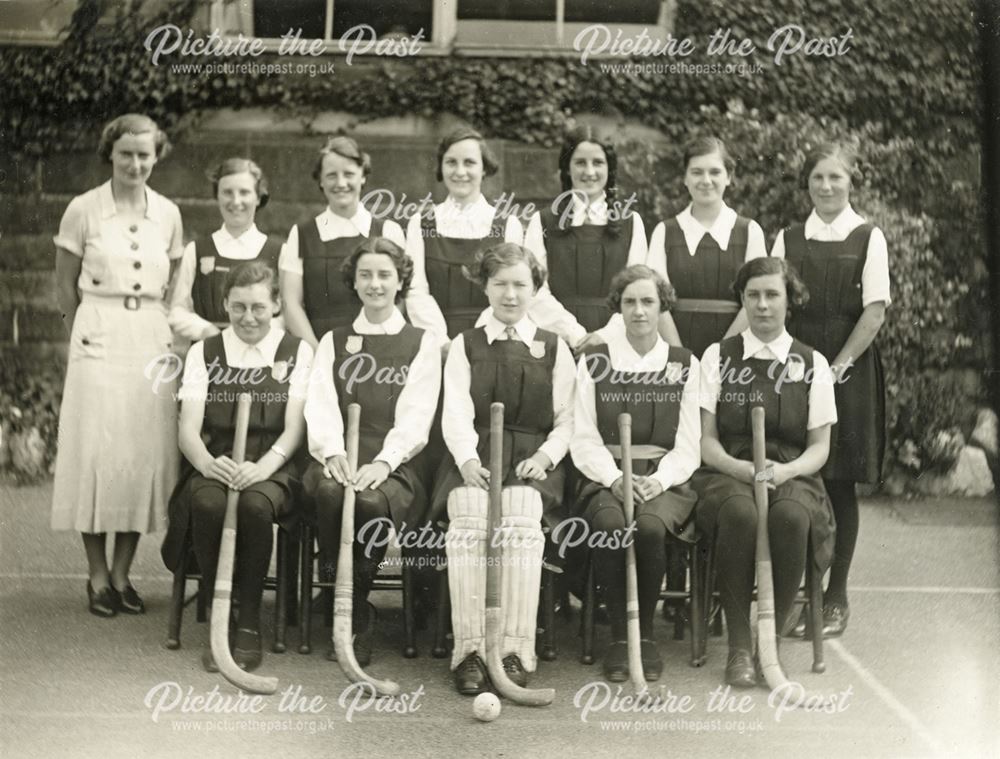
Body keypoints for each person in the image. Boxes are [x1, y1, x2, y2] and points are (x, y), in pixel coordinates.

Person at [51, 113, 183, 618]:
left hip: (149, 334)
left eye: (144, 155)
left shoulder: (168, 213)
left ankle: (125, 574)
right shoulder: (83, 209)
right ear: (110, 153)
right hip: (97, 332)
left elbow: (172, 284)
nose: (134, 163)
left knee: (139, 451)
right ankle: (97, 575)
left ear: (156, 157)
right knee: (96, 453)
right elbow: (65, 285)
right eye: (125, 153)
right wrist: (79, 336)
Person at [430, 243, 575, 695]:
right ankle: (471, 651)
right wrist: (468, 460)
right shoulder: (465, 344)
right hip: (475, 452)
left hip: (533, 458)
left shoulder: (554, 347)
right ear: (485, 286)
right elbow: (453, 412)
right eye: (500, 284)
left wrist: (545, 458)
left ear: (535, 289)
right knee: (470, 514)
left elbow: (568, 419)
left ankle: (514, 650)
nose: (510, 295)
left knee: (519, 515)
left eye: (520, 285)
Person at [162, 261, 312, 672]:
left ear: (277, 305)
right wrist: (209, 465)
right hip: (215, 465)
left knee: (254, 507)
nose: (248, 317)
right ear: (225, 304)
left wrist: (263, 468)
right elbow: (188, 430)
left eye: (259, 308)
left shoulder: (297, 352)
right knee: (208, 505)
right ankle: (220, 614)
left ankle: (248, 621)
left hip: (273, 469)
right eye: (239, 307)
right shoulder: (203, 352)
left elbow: (294, 431)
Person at [694, 256, 837, 688]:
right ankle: (739, 646)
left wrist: (786, 470)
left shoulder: (813, 363)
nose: (762, 305)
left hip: (792, 474)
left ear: (789, 301)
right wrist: (738, 467)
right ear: (741, 299)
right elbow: (705, 441)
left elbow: (820, 449)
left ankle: (767, 642)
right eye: (752, 295)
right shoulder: (718, 355)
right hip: (729, 472)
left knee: (790, 517)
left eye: (772, 294)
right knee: (741, 515)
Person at [303, 236, 440, 665]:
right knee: (328, 493)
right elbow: (320, 403)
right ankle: (339, 593)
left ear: (401, 281)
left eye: (385, 275)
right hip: (340, 450)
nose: (375, 284)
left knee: (369, 502)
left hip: (396, 460)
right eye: (366, 275)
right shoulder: (333, 339)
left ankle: (356, 606)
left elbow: (417, 418)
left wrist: (384, 461)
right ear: (354, 281)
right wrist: (331, 453)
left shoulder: (422, 342)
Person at [771, 141, 889, 638]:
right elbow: (771, 303)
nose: (826, 186)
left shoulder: (868, 236)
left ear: (850, 182)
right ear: (807, 184)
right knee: (796, 479)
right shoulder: (788, 238)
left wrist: (834, 367)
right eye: (818, 178)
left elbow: (875, 310)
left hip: (847, 371)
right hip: (792, 369)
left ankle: (835, 596)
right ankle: (795, 593)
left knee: (837, 481)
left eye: (835, 178)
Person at [570, 265, 701, 682]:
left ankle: (643, 635)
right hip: (606, 474)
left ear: (663, 306)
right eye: (630, 302)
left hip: (664, 478)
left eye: (648, 301)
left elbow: (689, 444)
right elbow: (583, 436)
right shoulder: (595, 361)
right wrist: (613, 479)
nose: (639, 311)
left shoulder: (683, 364)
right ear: (618, 308)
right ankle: (618, 638)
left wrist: (658, 480)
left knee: (646, 527)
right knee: (611, 523)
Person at [521, 125, 649, 352]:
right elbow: (533, 290)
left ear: (609, 169)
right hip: (557, 339)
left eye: (598, 163)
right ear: (567, 168)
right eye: (580, 162)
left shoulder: (631, 222)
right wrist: (574, 334)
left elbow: (637, 288)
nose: (589, 171)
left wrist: (605, 335)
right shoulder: (542, 222)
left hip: (616, 340)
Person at [646, 136, 768, 358]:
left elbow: (755, 301)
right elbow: (655, 301)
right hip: (674, 347)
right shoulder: (665, 232)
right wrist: (681, 356)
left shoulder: (749, 231)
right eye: (696, 172)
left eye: (714, 172)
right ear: (684, 178)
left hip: (735, 349)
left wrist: (721, 355)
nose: (706, 180)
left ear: (729, 177)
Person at [280, 136, 406, 348]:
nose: (341, 184)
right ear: (320, 180)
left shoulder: (387, 231)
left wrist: (381, 344)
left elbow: (400, 297)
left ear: (363, 176)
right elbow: (290, 303)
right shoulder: (302, 234)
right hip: (318, 348)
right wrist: (317, 351)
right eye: (331, 175)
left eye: (349, 174)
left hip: (377, 347)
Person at [403, 127, 524, 349]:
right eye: (451, 162)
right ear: (441, 167)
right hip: (435, 344)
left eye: (469, 162)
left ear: (484, 168)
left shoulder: (507, 226)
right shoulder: (420, 224)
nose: (460, 171)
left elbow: (510, 290)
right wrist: (441, 343)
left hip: (491, 341)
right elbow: (416, 290)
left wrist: (475, 341)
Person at [168, 158, 284, 342]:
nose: (236, 201)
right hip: (209, 354)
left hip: (261, 354)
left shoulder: (278, 252)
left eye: (244, 192)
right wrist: (205, 331)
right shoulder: (197, 250)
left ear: (258, 197)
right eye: (227, 192)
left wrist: (257, 330)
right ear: (218, 196)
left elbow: (287, 314)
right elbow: (177, 311)